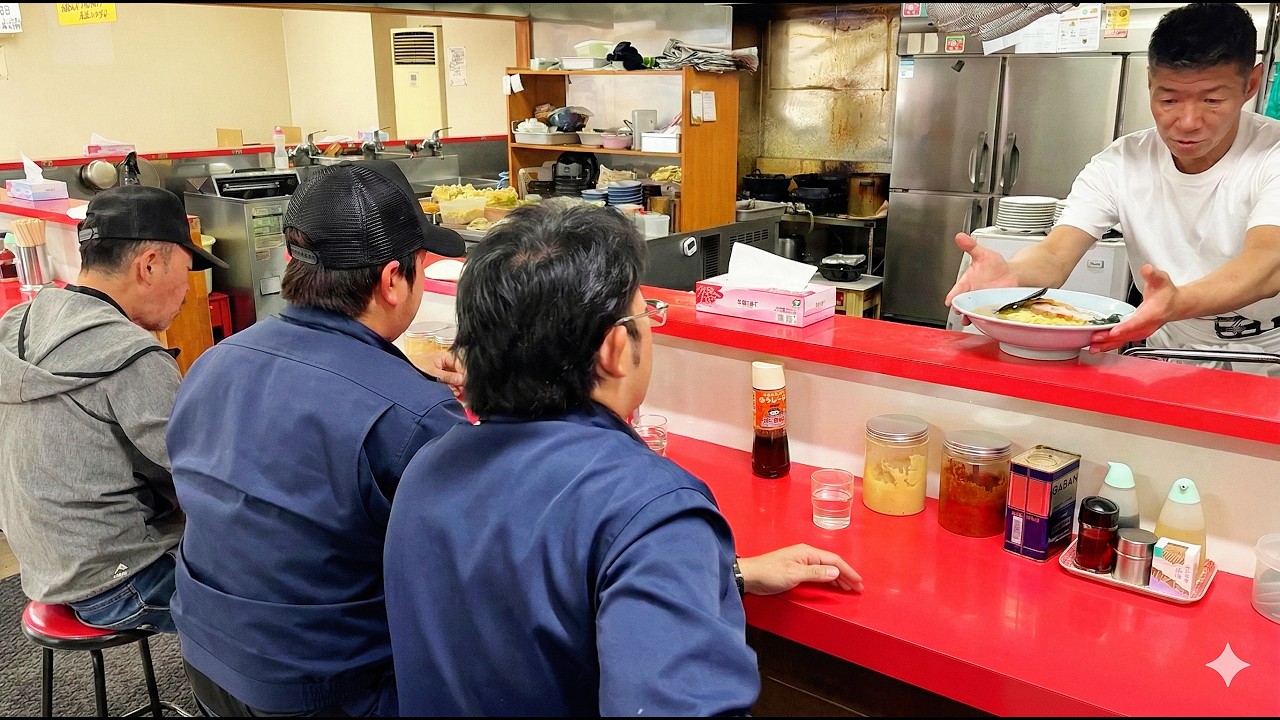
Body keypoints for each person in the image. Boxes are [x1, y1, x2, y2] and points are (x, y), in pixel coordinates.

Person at [383, 198, 863, 716]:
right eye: (644, 312)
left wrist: (719, 574)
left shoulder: (427, 467)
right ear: (615, 348)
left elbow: (525, 604)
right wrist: (675, 553)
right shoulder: (651, 509)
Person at [164, 160, 469, 717]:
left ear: (291, 261)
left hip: (207, 661)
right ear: (392, 280)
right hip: (328, 692)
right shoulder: (414, 417)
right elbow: (470, 578)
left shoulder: (210, 364)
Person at [946, 2, 1280, 375]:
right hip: (1166, 346)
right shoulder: (1121, 163)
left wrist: (1179, 300)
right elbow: (1057, 254)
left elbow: (1266, 265)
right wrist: (1012, 276)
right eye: (1168, 99)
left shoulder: (1272, 154)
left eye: (1212, 100)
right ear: (1149, 82)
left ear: (1250, 84)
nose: (1187, 122)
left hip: (1269, 350)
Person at [0, 184, 226, 633]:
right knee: (284, 603)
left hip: (45, 564)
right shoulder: (133, 356)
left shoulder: (18, 323)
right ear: (149, 265)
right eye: (186, 269)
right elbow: (200, 476)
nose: (187, 288)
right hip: (121, 580)